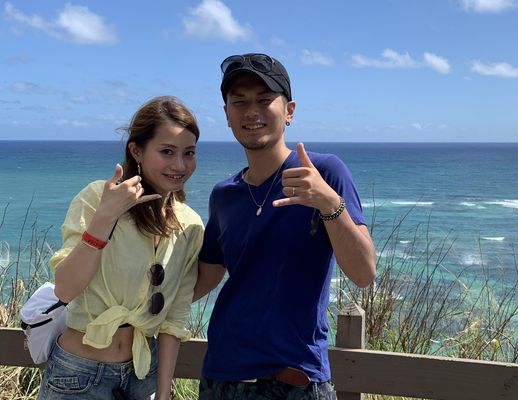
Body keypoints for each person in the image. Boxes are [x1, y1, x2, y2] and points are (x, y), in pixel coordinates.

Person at [194, 53, 377, 399]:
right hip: (221, 376)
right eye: (239, 102)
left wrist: (329, 204)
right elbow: (203, 278)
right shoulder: (224, 195)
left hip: (296, 381)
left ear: (289, 111)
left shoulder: (324, 173)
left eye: (264, 100)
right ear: (227, 115)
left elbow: (364, 272)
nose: (252, 112)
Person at [39, 96, 204, 400]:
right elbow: (65, 289)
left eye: (189, 153)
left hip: (143, 376)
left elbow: (175, 316)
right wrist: (106, 217)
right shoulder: (96, 198)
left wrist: (163, 392)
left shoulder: (190, 224)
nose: (180, 165)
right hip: (79, 374)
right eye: (167, 151)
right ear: (136, 150)